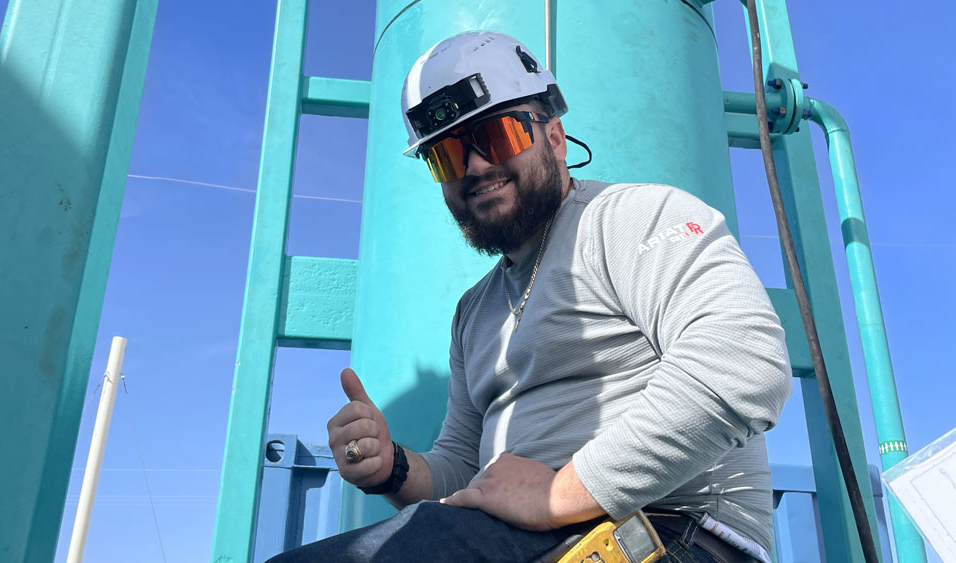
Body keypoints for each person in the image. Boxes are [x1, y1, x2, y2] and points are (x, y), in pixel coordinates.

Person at [266, 30, 792, 563]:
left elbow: (745, 362)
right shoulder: (473, 313)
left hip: (669, 534)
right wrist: (393, 468)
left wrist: (558, 494)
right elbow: (465, 471)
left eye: (495, 136)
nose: (473, 167)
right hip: (519, 541)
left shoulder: (630, 219)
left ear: (555, 138)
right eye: (447, 156)